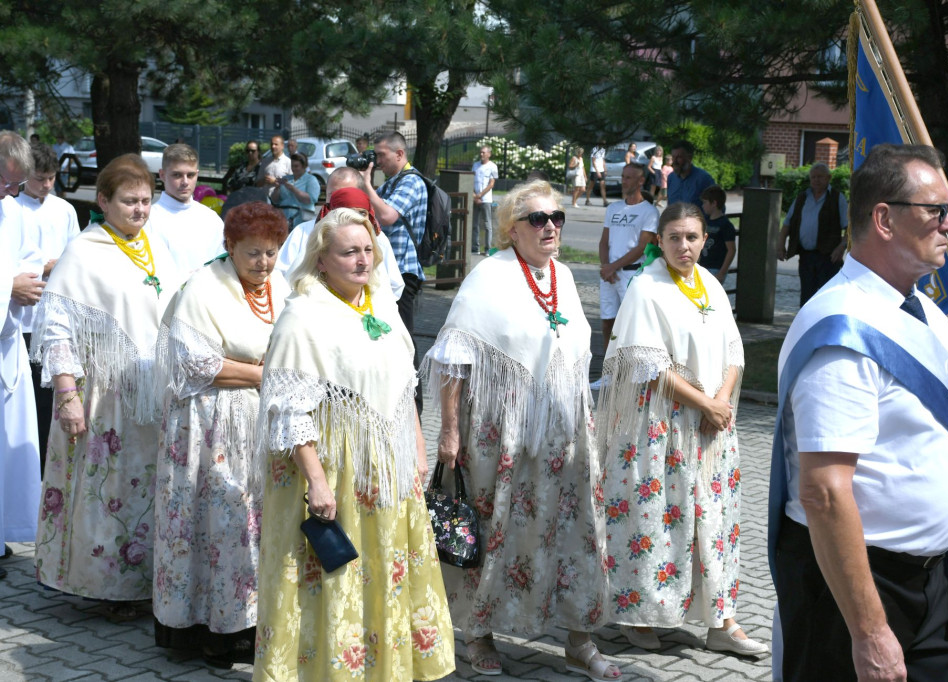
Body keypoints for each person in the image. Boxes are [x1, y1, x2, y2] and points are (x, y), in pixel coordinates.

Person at [770, 144, 948, 680]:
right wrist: (868, 631)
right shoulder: (841, 329)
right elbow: (824, 491)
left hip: (932, 583)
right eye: (937, 211)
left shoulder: (929, 315)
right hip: (857, 589)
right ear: (885, 219)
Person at [422, 180, 618, 680]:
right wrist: (448, 432)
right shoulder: (488, 276)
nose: (550, 225)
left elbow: (573, 356)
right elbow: (453, 359)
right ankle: (478, 634)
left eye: (556, 217)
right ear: (512, 229)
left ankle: (579, 637)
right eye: (538, 218)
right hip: (497, 433)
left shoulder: (565, 277)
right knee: (492, 531)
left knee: (574, 531)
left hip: (563, 434)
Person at [253, 207, 455, 681]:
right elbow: (289, 412)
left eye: (368, 250)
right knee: (332, 578)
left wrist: (417, 453)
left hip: (386, 468)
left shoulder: (381, 307)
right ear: (322, 260)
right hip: (333, 471)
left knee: (384, 571)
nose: (363, 261)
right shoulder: (302, 317)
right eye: (350, 252)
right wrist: (319, 484)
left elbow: (404, 387)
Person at [597, 201, 767, 656]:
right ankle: (643, 613)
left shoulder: (710, 283)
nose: (683, 246)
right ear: (660, 240)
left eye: (692, 237)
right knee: (659, 518)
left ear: (705, 240)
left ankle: (721, 620)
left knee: (715, 519)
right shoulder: (645, 288)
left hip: (712, 426)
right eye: (674, 237)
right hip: (664, 426)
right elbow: (647, 364)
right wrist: (706, 403)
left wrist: (721, 402)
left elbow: (734, 349)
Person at [31, 154, 183, 619]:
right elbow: (56, 328)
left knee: (146, 489)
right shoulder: (85, 250)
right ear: (103, 201)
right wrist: (68, 397)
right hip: (103, 395)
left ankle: (145, 584)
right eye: (129, 202)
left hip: (153, 392)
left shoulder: (156, 244)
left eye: (145, 201)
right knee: (108, 489)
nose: (140, 210)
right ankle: (103, 586)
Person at [153, 201, 288, 667]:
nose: (263, 263)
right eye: (253, 253)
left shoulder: (279, 285)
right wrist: (263, 373)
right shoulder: (204, 288)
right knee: (218, 525)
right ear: (229, 246)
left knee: (252, 527)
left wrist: (264, 372)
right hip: (209, 428)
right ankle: (208, 630)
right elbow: (196, 364)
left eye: (271, 252)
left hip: (260, 423)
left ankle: (249, 625)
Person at [15, 143, 80, 472]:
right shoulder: (14, 208)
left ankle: (48, 465)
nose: (47, 185)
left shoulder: (64, 210)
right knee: (26, 403)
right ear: (26, 176)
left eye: (52, 178)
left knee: (51, 396)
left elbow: (76, 253)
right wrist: (45, 266)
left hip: (54, 318)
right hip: (21, 320)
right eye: (40, 179)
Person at [359, 132, 427, 408]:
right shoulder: (391, 183)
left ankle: (414, 407)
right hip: (386, 273)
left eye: (381, 156)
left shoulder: (411, 182)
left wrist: (365, 184)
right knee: (387, 336)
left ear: (400, 154)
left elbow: (387, 216)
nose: (377, 161)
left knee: (404, 339)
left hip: (404, 272)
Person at [0, 131, 41, 581]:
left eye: (16, 185)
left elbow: (24, 257)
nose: (9, 193)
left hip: (6, 342)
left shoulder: (9, 209)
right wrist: (8, 287)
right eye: (4, 182)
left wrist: (24, 280)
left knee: (6, 448)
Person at [276, 166, 404, 301]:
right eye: (332, 196)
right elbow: (281, 275)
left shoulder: (376, 237)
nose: (338, 202)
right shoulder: (302, 232)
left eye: (345, 194)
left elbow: (394, 286)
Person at [598, 163, 659, 356]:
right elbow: (604, 241)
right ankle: (609, 370)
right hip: (609, 275)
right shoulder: (614, 208)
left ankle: (629, 369)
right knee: (608, 321)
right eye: (623, 177)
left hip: (630, 274)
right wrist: (605, 267)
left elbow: (641, 246)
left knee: (630, 324)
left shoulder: (649, 211)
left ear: (641, 181)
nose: (623, 181)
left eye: (628, 178)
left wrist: (612, 267)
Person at [777, 162, 849, 306]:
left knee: (825, 297)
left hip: (828, 257)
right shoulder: (802, 197)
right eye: (813, 177)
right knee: (806, 297)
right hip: (806, 256)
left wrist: (841, 247)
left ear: (828, 178)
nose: (816, 180)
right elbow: (787, 223)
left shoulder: (837, 198)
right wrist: (780, 245)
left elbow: (849, 228)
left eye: (820, 177)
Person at [147, 144, 224, 275]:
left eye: (190, 175)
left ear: (197, 174)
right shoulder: (149, 220)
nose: (185, 182)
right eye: (177, 175)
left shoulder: (211, 218)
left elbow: (223, 264)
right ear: (162, 175)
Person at [270, 151, 319, 229]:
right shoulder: (286, 179)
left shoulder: (311, 180)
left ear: (304, 166)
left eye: (296, 166)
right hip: (284, 216)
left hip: (302, 218)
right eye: (292, 166)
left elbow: (310, 200)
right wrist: (277, 188)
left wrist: (293, 189)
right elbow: (275, 200)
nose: (293, 169)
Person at [699, 185, 736, 283]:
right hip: (702, 266)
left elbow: (731, 250)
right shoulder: (705, 221)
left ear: (714, 203)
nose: (703, 206)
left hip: (715, 268)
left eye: (705, 202)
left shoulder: (725, 225)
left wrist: (722, 272)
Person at [666, 141, 714, 207]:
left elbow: (717, 209)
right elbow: (669, 205)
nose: (675, 161)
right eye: (673, 157)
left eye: (679, 157)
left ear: (689, 158)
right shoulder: (671, 178)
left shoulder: (704, 179)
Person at [471, 145, 499, 255]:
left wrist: (480, 195)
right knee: (474, 224)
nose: (481, 154)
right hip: (475, 199)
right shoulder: (475, 165)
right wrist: (474, 196)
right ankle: (475, 247)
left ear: (489, 154)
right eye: (480, 152)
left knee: (487, 224)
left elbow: (491, 183)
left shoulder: (493, 166)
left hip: (486, 199)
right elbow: (471, 181)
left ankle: (487, 248)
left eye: (483, 152)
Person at [51, 133, 74, 198]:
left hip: (64, 168)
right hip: (56, 169)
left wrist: (67, 168)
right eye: (58, 138)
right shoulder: (54, 146)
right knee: (57, 188)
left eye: (60, 138)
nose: (59, 139)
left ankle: (64, 201)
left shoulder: (68, 147)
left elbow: (72, 158)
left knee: (63, 188)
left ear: (63, 139)